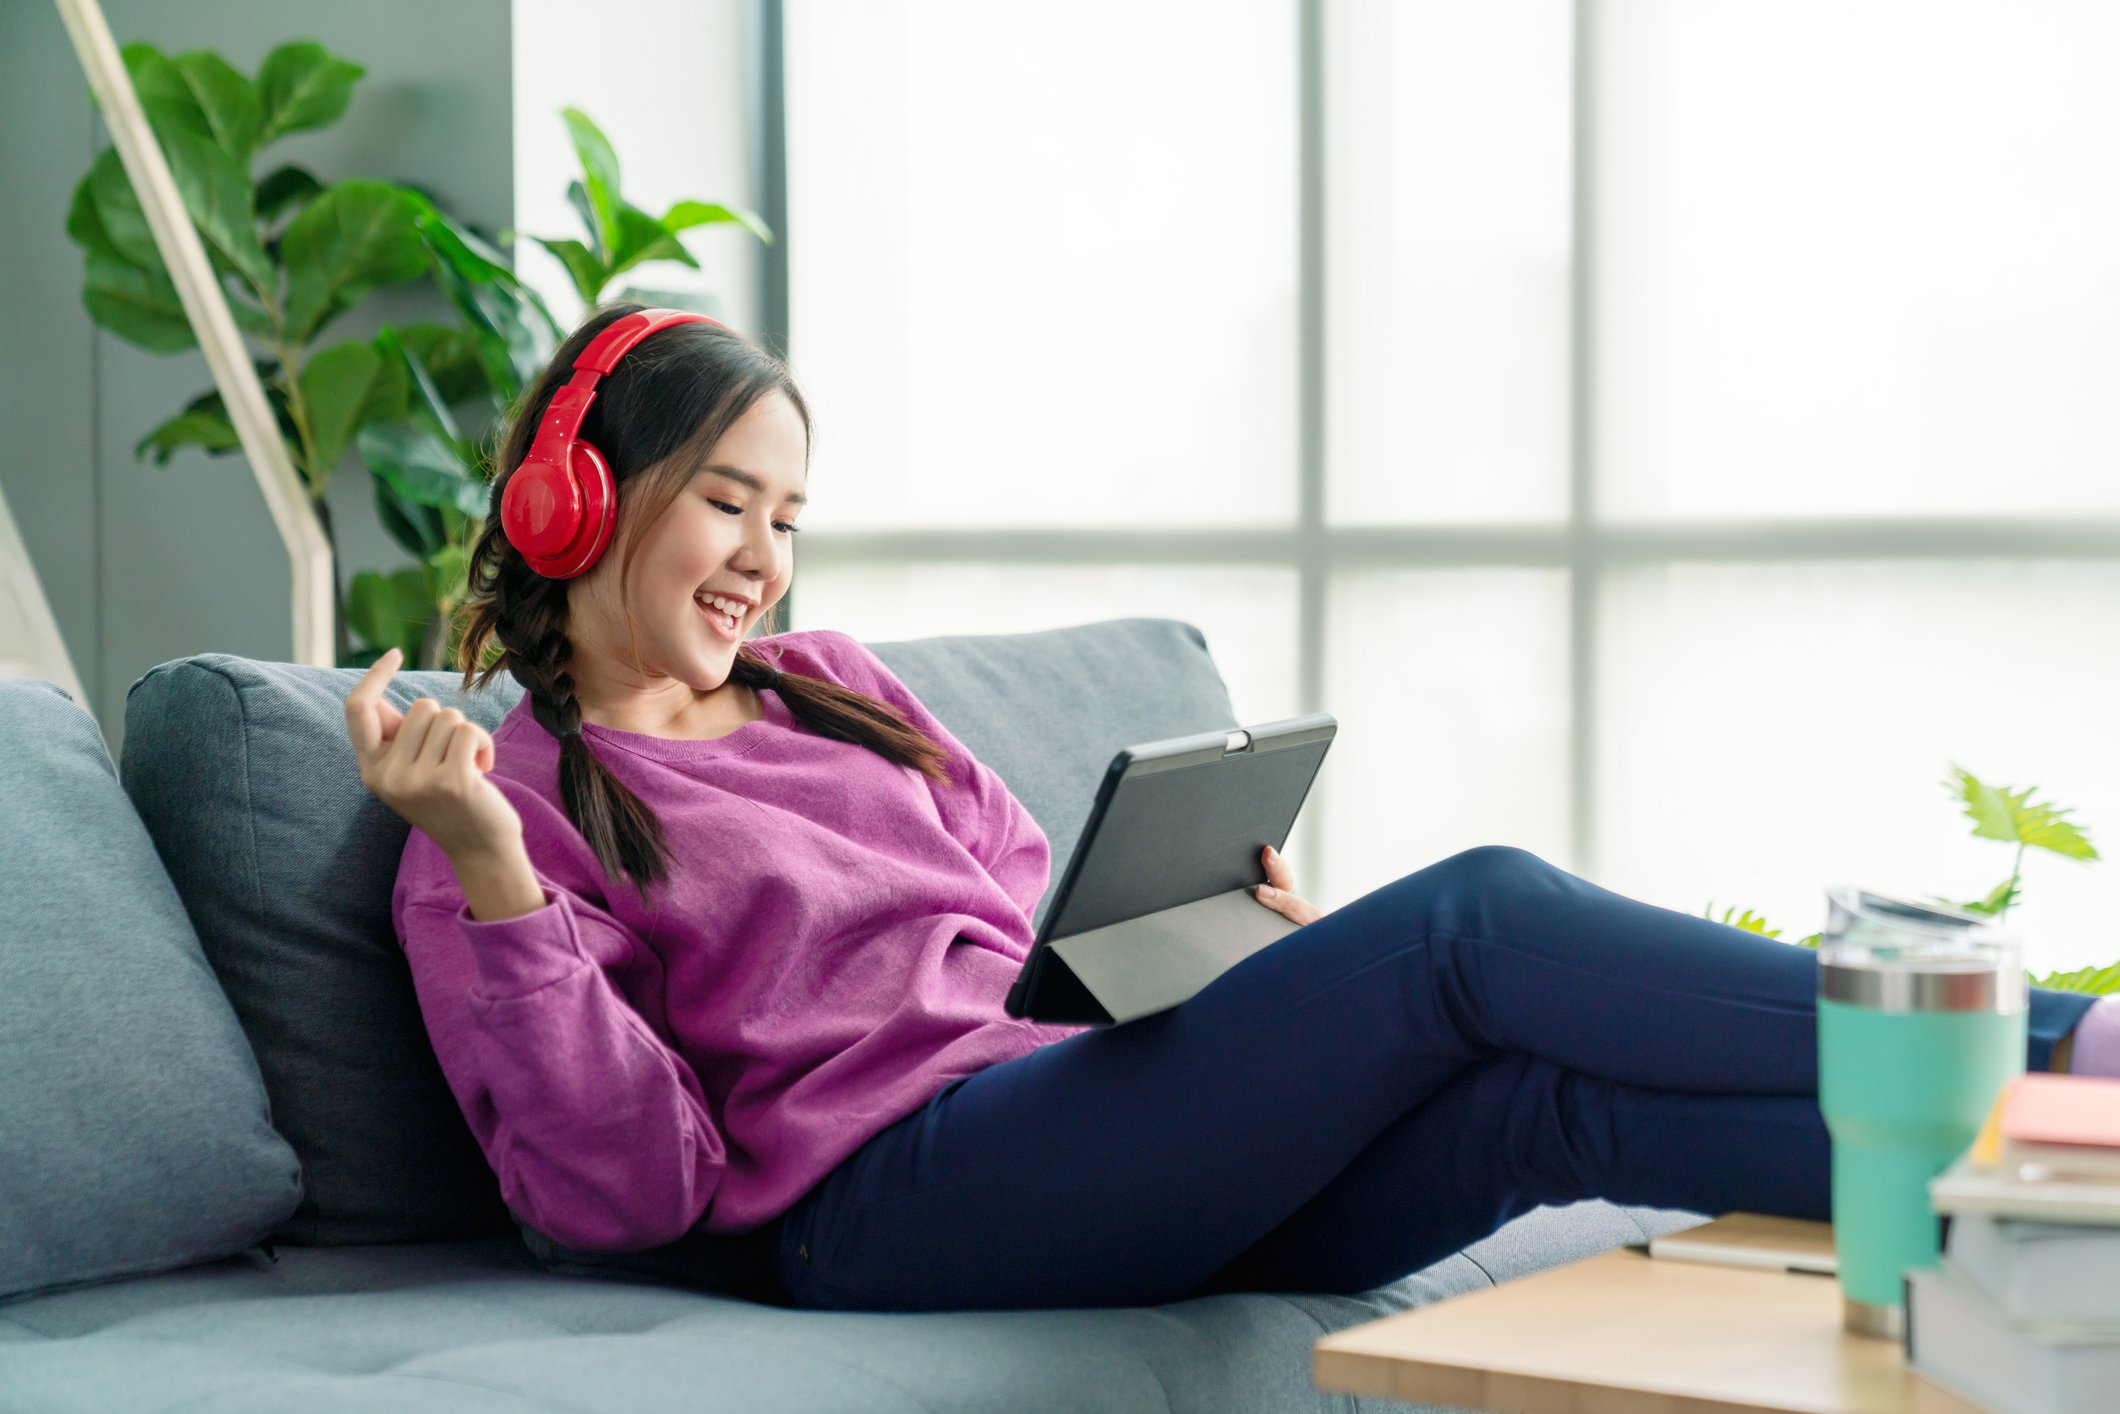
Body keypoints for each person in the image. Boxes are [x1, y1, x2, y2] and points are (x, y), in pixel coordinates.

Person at [344, 302, 2120, 1315]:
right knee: (1474, 921)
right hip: (881, 1200)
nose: (764, 558)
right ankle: (2067, 1043)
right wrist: (497, 874)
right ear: (583, 496)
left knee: (1545, 1113)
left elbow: (1019, 937)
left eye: (789, 517)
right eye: (726, 502)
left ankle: (2055, 1199)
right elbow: (627, 1192)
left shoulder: (839, 686)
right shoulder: (504, 811)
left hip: (1052, 1121)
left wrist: (1230, 973)